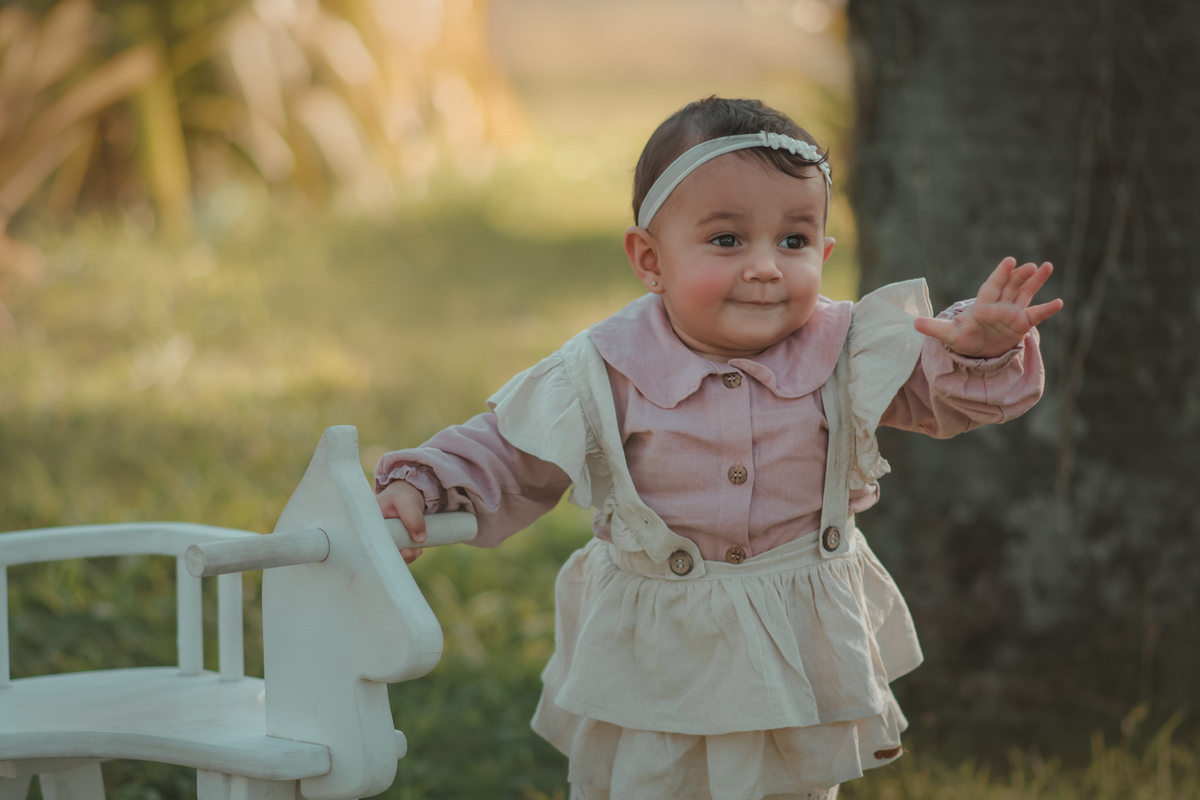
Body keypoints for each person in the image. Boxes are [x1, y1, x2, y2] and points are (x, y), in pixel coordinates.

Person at [374, 97, 1063, 800]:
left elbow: (936, 389)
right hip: (662, 642)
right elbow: (508, 447)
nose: (766, 267)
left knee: (792, 784)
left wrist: (980, 350)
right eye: (728, 241)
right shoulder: (605, 370)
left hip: (798, 632)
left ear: (824, 253)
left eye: (793, 242)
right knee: (653, 779)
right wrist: (424, 483)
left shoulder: (847, 350)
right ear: (651, 259)